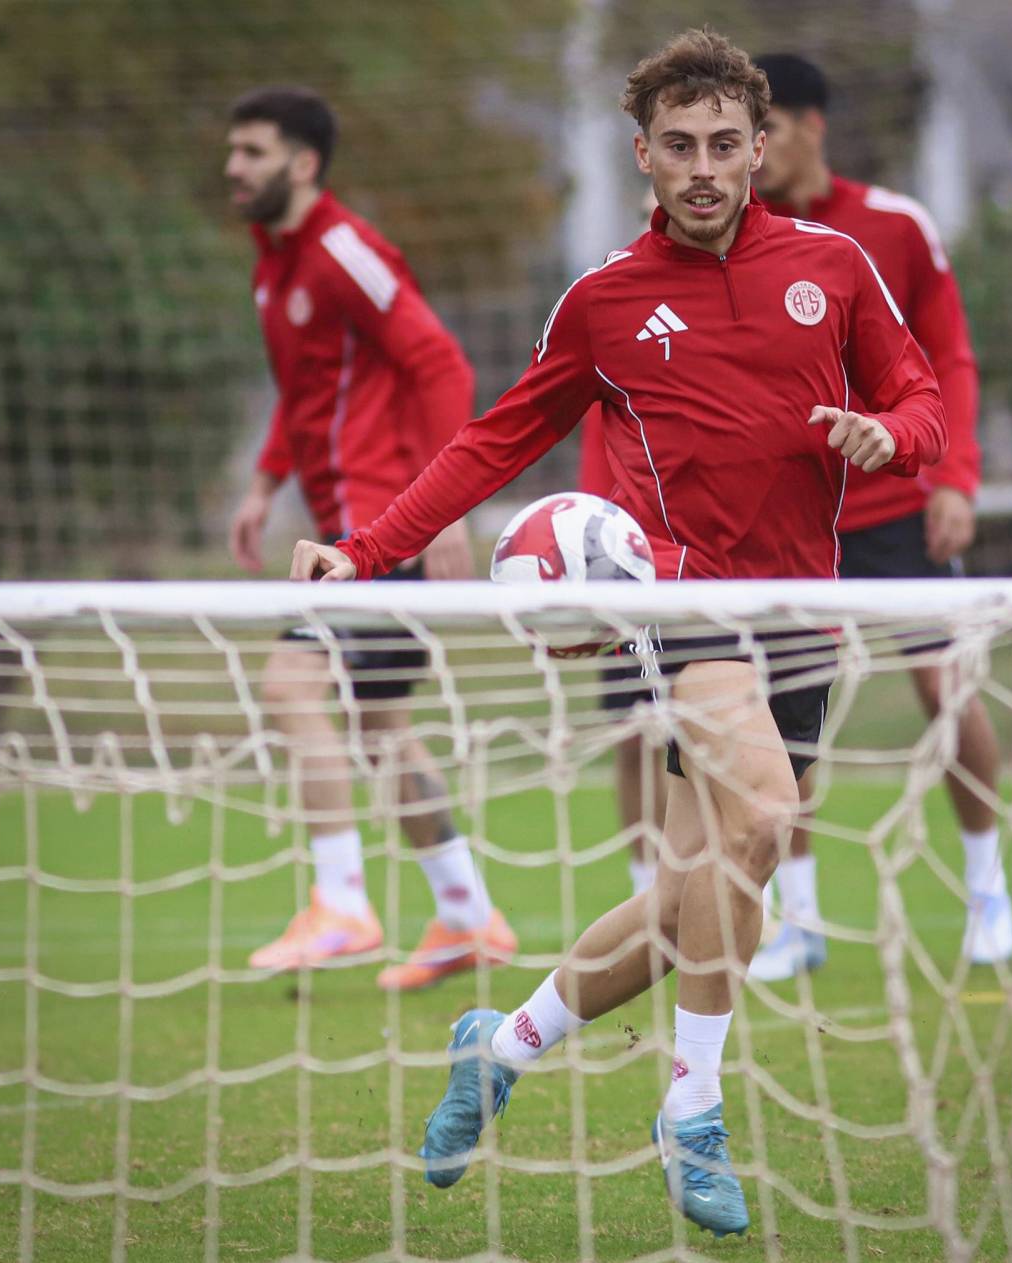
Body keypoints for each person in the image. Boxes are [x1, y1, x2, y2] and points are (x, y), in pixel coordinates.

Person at [291, 30, 946, 1236]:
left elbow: (923, 403)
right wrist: (367, 546)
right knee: (759, 822)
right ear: (642, 155)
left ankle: (503, 1045)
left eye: (724, 146)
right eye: (678, 147)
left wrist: (886, 438)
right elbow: (494, 439)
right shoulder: (604, 300)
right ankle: (694, 1111)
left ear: (762, 149)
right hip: (677, 605)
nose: (703, 168)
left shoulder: (838, 266)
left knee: (704, 885)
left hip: (805, 609)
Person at [225, 86, 516, 989]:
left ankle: (343, 901)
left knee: (289, 681)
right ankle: (469, 915)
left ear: (304, 164)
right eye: (232, 150)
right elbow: (309, 392)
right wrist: (266, 481)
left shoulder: (343, 249)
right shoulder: (274, 266)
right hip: (344, 528)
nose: (234, 167)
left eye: (254, 151)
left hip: (380, 530)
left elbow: (439, 360)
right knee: (382, 726)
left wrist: (446, 509)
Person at [747, 54, 1012, 982]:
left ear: (811, 126)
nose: (745, 154)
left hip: (899, 504)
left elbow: (951, 355)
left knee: (946, 690)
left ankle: (989, 894)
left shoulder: (895, 224)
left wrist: (956, 474)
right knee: (789, 723)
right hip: (791, 521)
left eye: (762, 130)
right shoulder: (736, 237)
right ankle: (801, 921)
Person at [577, 184, 668, 899]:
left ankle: (774, 893)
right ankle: (647, 886)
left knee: (704, 732)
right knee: (633, 729)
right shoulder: (607, 302)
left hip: (706, 570)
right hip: (620, 558)